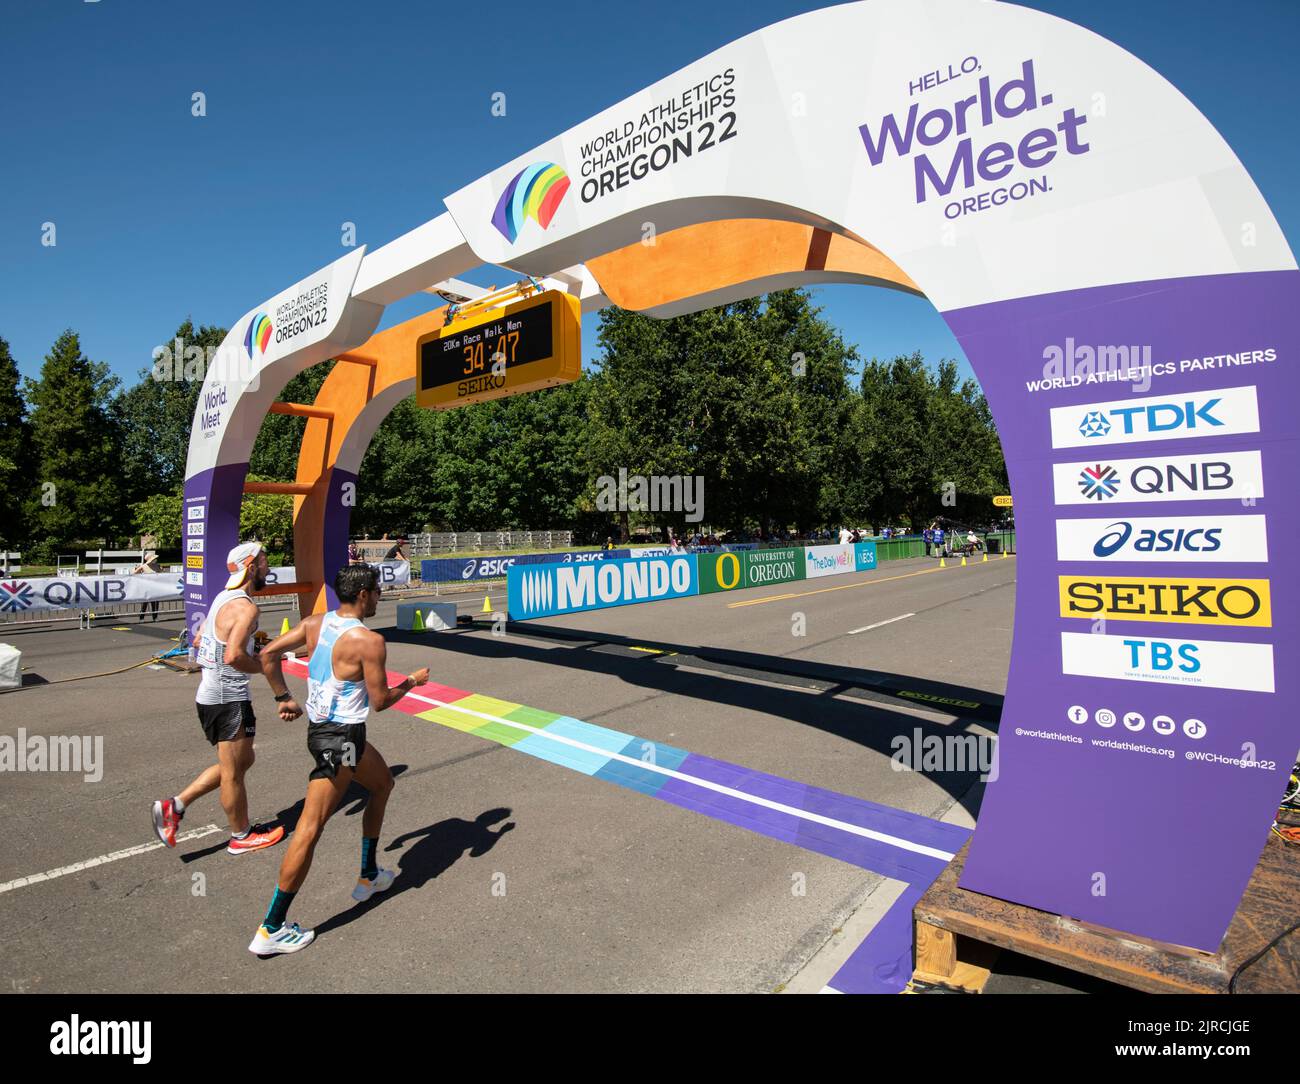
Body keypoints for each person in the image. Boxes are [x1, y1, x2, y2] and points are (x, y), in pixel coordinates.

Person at [246, 564, 429, 956]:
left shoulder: (316, 623)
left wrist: (283, 696)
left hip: (331, 733)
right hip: (340, 739)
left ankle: (368, 873)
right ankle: (271, 928)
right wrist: (411, 682)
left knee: (383, 784)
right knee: (310, 828)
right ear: (363, 594)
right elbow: (380, 702)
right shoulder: (369, 641)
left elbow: (267, 653)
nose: (380, 597)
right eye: (378, 591)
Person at [150, 542, 285, 855]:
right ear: (251, 567)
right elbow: (235, 655)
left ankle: (175, 805)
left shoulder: (224, 598)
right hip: (228, 698)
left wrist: (250, 644)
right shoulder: (247, 607)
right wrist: (265, 667)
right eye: (264, 561)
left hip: (213, 695)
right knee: (234, 772)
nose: (269, 567)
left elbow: (199, 639)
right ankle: (241, 835)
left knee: (241, 761)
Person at [132, 551, 162, 622]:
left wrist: (161, 568)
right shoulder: (143, 566)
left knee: (155, 603)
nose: (155, 560)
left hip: (155, 587)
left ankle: (155, 617)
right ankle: (141, 618)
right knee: (144, 603)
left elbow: (161, 572)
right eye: (154, 559)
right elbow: (134, 573)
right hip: (146, 587)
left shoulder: (156, 566)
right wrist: (135, 568)